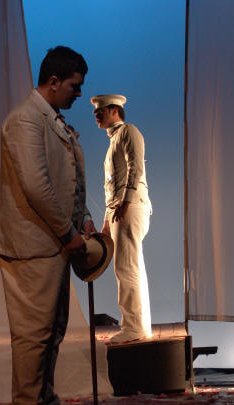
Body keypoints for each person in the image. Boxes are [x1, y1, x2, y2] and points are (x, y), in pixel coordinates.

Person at [0, 46, 96, 405]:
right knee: (33, 337)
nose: (79, 93)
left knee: (51, 333)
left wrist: (83, 218)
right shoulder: (25, 118)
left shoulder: (50, 119)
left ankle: (43, 399)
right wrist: (68, 232)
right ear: (53, 82)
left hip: (52, 245)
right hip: (34, 247)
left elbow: (65, 178)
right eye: (74, 85)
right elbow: (36, 186)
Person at [91, 94, 153, 343]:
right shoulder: (115, 139)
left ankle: (133, 328)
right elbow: (112, 187)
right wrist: (107, 220)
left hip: (130, 207)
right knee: (131, 267)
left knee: (126, 268)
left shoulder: (129, 132)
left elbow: (135, 168)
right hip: (121, 209)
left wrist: (125, 203)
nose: (96, 114)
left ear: (114, 110)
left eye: (101, 110)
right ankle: (140, 327)